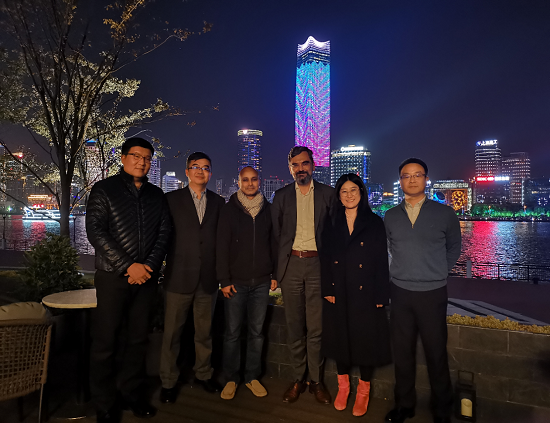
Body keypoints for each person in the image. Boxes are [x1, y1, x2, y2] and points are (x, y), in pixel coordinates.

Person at [86, 137, 171, 423]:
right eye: (136, 156)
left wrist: (148, 267)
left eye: (147, 158)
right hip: (112, 277)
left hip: (145, 278)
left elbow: (164, 234)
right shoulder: (104, 189)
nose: (141, 162)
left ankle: (132, 393)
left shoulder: (156, 194)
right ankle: (104, 402)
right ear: (123, 158)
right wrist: (128, 266)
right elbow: (96, 232)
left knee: (138, 340)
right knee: (105, 341)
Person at [384, 158, 461, 423]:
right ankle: (404, 405)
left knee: (436, 353)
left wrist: (439, 271)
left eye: (418, 175)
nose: (412, 180)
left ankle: (442, 409)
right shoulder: (391, 216)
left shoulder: (445, 214)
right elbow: (388, 249)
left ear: (426, 179)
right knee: (402, 353)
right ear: (400, 181)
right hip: (400, 291)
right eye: (406, 176)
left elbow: (454, 248)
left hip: (433, 293)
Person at [321, 173, 392, 417]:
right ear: (338, 196)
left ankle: (363, 390)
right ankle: (343, 387)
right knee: (339, 338)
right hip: (339, 289)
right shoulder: (331, 221)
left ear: (361, 193)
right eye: (344, 191)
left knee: (366, 341)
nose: (349, 195)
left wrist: (381, 294)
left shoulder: (374, 222)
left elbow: (381, 261)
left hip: (366, 291)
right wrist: (327, 288)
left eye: (354, 190)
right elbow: (325, 258)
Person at [159, 152, 225, 404]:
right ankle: (168, 381)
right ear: (187, 172)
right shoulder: (170, 200)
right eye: (195, 167)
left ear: (210, 173)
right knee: (171, 334)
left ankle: (203, 374)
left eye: (205, 167)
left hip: (208, 279)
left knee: (204, 333)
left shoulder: (219, 202)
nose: (200, 171)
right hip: (178, 276)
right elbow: (162, 237)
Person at [271, 146, 335, 404]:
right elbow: (275, 237)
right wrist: (276, 272)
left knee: (317, 328)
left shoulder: (329, 195)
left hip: (318, 265)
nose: (300, 168)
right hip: (291, 267)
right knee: (295, 326)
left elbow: (336, 234)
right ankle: (298, 378)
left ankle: (316, 381)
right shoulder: (281, 196)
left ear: (313, 165)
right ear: (290, 169)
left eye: (305, 163)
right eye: (295, 165)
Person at [216, 166, 278, 400]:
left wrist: (274, 274)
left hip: (261, 282)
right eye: (245, 180)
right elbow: (221, 246)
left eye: (254, 179)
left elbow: (274, 244)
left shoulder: (268, 210)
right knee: (232, 333)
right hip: (235, 283)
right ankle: (231, 378)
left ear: (259, 181)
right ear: (239, 182)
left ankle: (252, 377)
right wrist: (224, 280)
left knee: (257, 333)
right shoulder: (228, 210)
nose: (250, 183)